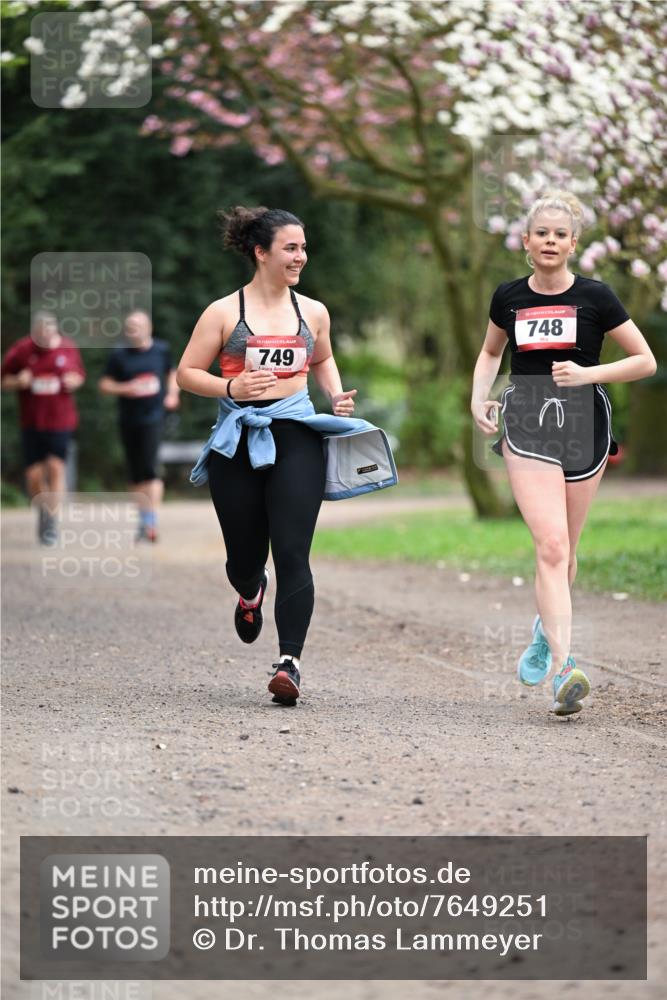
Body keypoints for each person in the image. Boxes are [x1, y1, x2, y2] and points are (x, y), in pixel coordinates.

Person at [177, 206, 394, 707]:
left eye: (303, 247)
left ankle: (289, 664)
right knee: (244, 557)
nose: (301, 256)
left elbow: (323, 357)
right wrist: (231, 384)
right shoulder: (224, 312)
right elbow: (187, 373)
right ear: (261, 252)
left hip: (297, 435)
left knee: (294, 550)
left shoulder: (312, 312)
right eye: (291, 248)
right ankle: (250, 588)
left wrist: (335, 395)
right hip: (238, 439)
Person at [471, 191, 656, 717]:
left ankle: (542, 632)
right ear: (526, 243)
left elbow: (644, 360)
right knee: (550, 546)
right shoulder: (508, 296)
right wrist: (477, 396)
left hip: (584, 419)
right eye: (541, 233)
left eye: (560, 234)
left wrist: (588, 373)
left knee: (568, 551)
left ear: (573, 244)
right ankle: (565, 668)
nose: (550, 241)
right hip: (526, 416)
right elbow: (490, 352)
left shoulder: (597, 297)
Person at [1, 312, 85, 544]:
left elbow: (79, 376)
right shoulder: (21, 350)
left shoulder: (67, 349)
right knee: (34, 475)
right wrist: (18, 381)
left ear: (56, 331)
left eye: (50, 333)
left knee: (56, 468)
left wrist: (73, 381)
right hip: (31, 421)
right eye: (41, 334)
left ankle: (51, 522)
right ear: (34, 333)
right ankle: (43, 510)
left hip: (61, 421)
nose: (46, 339)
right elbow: (3, 380)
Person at [99, 310, 180, 542]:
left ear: (149, 328)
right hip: (128, 418)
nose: (133, 330)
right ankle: (143, 520)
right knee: (135, 474)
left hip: (154, 416)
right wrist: (127, 388)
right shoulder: (119, 355)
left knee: (150, 468)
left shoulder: (161, 350)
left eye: (138, 325)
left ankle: (151, 521)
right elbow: (105, 384)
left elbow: (172, 373)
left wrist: (172, 394)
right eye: (130, 326)